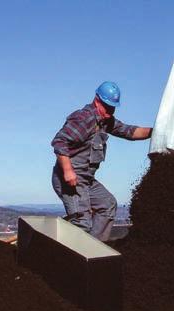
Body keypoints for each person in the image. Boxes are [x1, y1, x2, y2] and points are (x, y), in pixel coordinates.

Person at [51, 81, 152, 241]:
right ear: (97, 99)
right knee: (82, 223)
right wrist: (68, 170)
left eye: (113, 107)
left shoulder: (106, 120)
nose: (110, 111)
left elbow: (130, 132)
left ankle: (94, 249)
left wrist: (157, 131)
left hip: (86, 179)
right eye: (107, 106)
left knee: (108, 204)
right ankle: (69, 257)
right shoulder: (84, 118)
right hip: (69, 179)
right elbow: (60, 142)